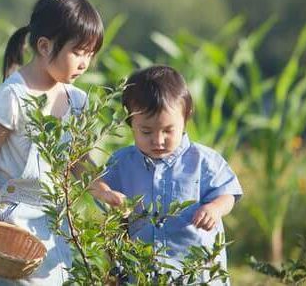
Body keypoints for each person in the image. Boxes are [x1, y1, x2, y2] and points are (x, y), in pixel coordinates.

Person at [0, 0, 122, 285]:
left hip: (52, 222)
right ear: (44, 46)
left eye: (90, 54)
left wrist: (101, 189)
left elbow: (76, 161)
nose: (85, 63)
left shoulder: (76, 101)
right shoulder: (14, 96)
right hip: (7, 219)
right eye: (78, 52)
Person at [100, 65, 243, 284]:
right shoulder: (121, 163)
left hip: (195, 274)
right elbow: (106, 195)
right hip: (141, 274)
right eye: (146, 131)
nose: (158, 140)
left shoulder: (203, 160)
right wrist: (108, 197)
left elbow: (228, 194)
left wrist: (213, 209)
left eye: (168, 130)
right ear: (130, 122)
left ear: (186, 119)